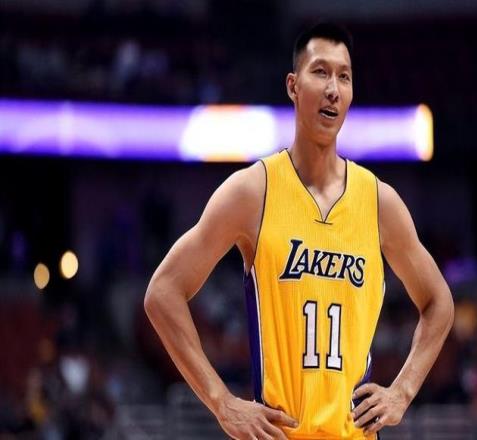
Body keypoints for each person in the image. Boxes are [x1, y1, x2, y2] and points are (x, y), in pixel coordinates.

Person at [144, 22, 454, 440]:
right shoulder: (252, 191)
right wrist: (221, 402)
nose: (333, 89)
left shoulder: (380, 202)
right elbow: (163, 292)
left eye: (344, 77)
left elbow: (439, 301)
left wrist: (402, 391)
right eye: (321, 72)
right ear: (293, 85)